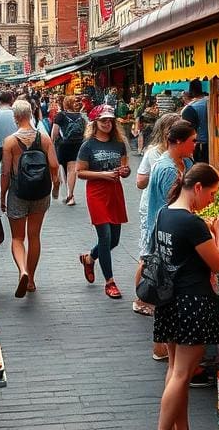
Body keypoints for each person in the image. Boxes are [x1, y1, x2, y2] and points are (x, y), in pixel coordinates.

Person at [153, 163, 219, 430]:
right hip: (192, 303)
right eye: (210, 194)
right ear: (197, 188)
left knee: (175, 371)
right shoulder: (191, 222)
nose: (210, 201)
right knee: (182, 375)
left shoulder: (164, 213)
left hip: (170, 301)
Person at [1, 99, 59, 297]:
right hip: (40, 193)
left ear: (15, 117)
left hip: (18, 193)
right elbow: (54, 165)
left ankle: (22, 270)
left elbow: (6, 173)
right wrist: (56, 185)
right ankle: (32, 279)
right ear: (31, 114)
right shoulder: (44, 138)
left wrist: (2, 195)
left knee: (18, 238)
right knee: (34, 236)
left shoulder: (9, 142)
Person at [77, 105, 130, 299]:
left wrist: (125, 171)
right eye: (103, 121)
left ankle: (89, 258)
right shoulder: (88, 145)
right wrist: (102, 175)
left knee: (114, 240)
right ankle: (110, 282)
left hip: (115, 192)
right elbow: (80, 172)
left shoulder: (119, 143)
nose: (107, 124)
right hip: (97, 193)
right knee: (105, 238)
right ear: (95, 123)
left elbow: (126, 168)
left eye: (110, 121)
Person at [133, 112, 182, 321]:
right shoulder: (154, 153)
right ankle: (141, 298)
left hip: (170, 210)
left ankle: (158, 295)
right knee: (148, 254)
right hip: (153, 208)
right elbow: (140, 182)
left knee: (161, 255)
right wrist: (159, 175)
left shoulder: (181, 155)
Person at [144, 121, 198, 242]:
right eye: (193, 141)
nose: (196, 145)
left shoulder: (187, 162)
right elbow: (173, 205)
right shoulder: (168, 169)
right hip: (168, 230)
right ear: (179, 141)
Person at [51, 95, 87, 206]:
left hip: (63, 145)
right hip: (77, 145)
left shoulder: (60, 116)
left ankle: (59, 185)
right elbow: (86, 132)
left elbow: (54, 133)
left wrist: (52, 144)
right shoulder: (81, 116)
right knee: (72, 169)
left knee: (61, 167)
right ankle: (70, 196)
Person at [181, 79, 209, 164]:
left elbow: (187, 131)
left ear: (191, 92)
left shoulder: (190, 108)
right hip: (214, 145)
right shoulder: (211, 101)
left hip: (200, 146)